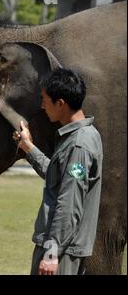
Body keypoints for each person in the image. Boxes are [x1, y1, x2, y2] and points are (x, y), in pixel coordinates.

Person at [13, 68, 103, 275]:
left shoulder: (79, 144)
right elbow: (59, 178)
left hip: (61, 251)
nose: (42, 105)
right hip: (63, 247)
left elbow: (70, 202)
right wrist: (28, 147)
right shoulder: (85, 135)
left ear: (60, 103)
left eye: (44, 99)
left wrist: (52, 251)